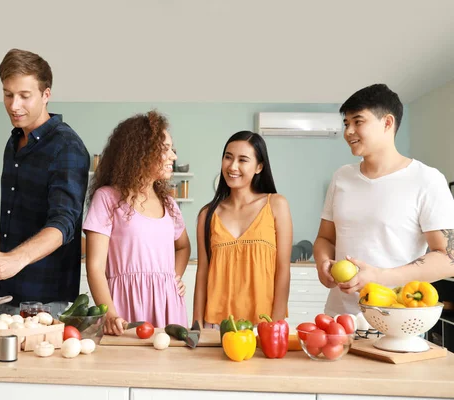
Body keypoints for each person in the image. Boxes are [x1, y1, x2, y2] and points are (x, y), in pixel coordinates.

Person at [313, 83, 454, 316]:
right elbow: (325, 238)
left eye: (358, 122)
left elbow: (449, 257)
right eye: (346, 123)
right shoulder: (341, 177)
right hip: (338, 318)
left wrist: (380, 277)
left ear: (387, 123)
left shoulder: (427, 179)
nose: (348, 131)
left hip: (398, 318)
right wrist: (323, 262)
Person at [0, 49, 90, 317]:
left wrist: (16, 259)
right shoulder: (14, 141)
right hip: (3, 293)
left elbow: (64, 224)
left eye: (25, 96)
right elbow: (16, 217)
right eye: (8, 94)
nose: (14, 105)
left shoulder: (67, 146)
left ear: (46, 95)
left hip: (44, 301)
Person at [83, 111, 190, 335]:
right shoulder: (107, 198)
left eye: (172, 149)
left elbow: (183, 246)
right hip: (124, 307)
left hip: (169, 306)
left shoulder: (169, 203)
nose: (173, 156)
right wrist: (109, 313)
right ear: (141, 152)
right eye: (165, 149)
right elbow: (95, 267)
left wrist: (175, 277)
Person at [192, 131, 292, 328]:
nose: (232, 166)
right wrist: (196, 326)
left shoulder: (276, 205)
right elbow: (202, 273)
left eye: (243, 160)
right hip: (216, 324)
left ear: (259, 167)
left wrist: (276, 324)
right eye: (228, 157)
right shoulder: (207, 214)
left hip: (262, 324)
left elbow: (283, 270)